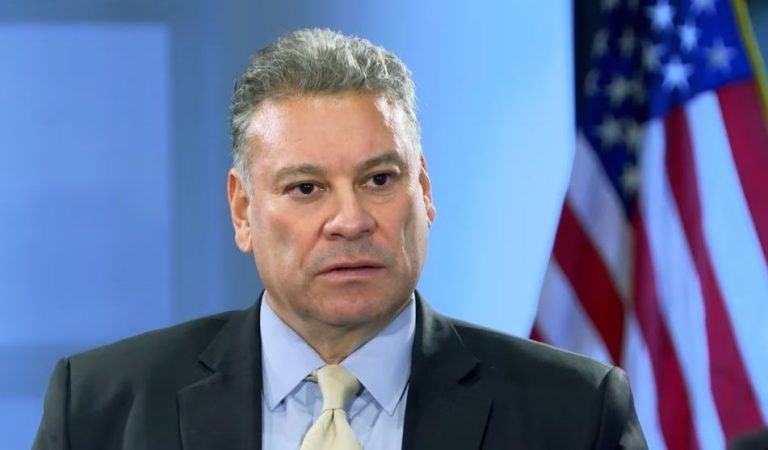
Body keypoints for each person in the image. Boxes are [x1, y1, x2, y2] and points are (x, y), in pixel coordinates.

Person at [33, 28, 648, 449]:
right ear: (243, 210)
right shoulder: (101, 409)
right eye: (306, 188)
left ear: (424, 190)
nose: (350, 220)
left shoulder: (574, 412)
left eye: (379, 179)